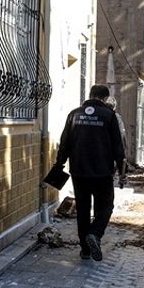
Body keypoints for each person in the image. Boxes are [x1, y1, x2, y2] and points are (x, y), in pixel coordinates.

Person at [54, 84, 126, 261]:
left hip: (79, 171)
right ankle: (95, 234)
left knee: (83, 209)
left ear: (91, 95)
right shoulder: (110, 116)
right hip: (102, 172)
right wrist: (122, 170)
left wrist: (59, 164)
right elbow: (118, 145)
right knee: (105, 206)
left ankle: (85, 250)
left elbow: (65, 142)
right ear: (105, 98)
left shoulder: (74, 114)